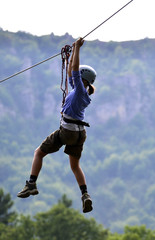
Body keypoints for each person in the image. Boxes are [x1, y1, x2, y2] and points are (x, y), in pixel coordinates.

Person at [17, 38, 96, 213]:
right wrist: (71, 54)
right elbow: (71, 73)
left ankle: (31, 184)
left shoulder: (80, 91)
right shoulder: (81, 91)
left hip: (67, 131)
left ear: (82, 78)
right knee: (75, 166)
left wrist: (77, 48)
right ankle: (85, 195)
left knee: (39, 152)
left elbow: (74, 69)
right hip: (80, 133)